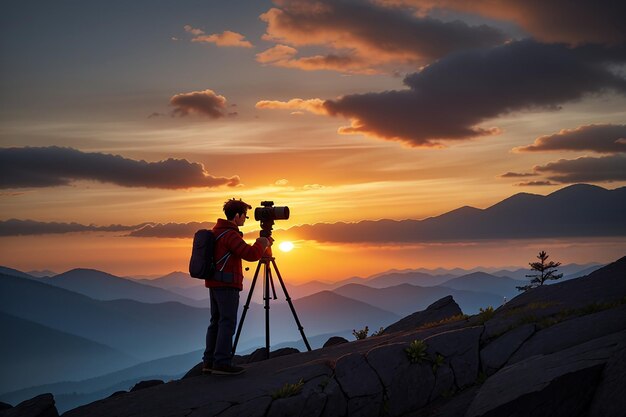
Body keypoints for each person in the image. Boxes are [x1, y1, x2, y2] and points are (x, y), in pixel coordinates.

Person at [202, 198, 271, 375]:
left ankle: (209, 362)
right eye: (245, 216)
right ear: (238, 215)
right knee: (227, 322)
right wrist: (262, 242)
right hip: (227, 284)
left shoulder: (217, 231)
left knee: (216, 322)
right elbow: (250, 254)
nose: (245, 220)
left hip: (214, 283)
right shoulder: (230, 234)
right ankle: (222, 363)